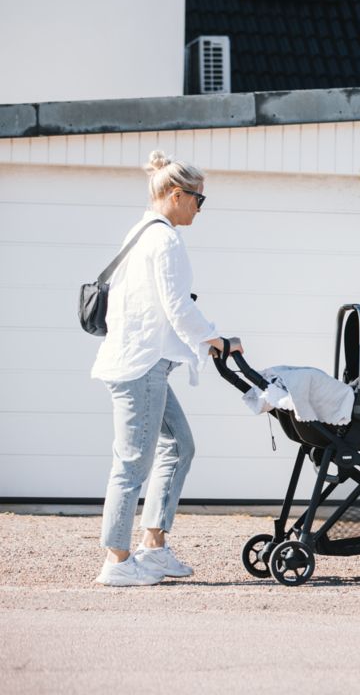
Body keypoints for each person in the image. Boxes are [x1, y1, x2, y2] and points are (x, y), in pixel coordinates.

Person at [91, 150, 243, 586]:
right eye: (199, 199)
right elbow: (177, 307)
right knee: (132, 463)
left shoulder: (140, 233)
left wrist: (206, 338)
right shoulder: (164, 239)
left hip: (144, 364)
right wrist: (215, 339)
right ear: (177, 195)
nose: (200, 207)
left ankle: (153, 549)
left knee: (178, 446)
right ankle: (117, 561)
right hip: (140, 367)